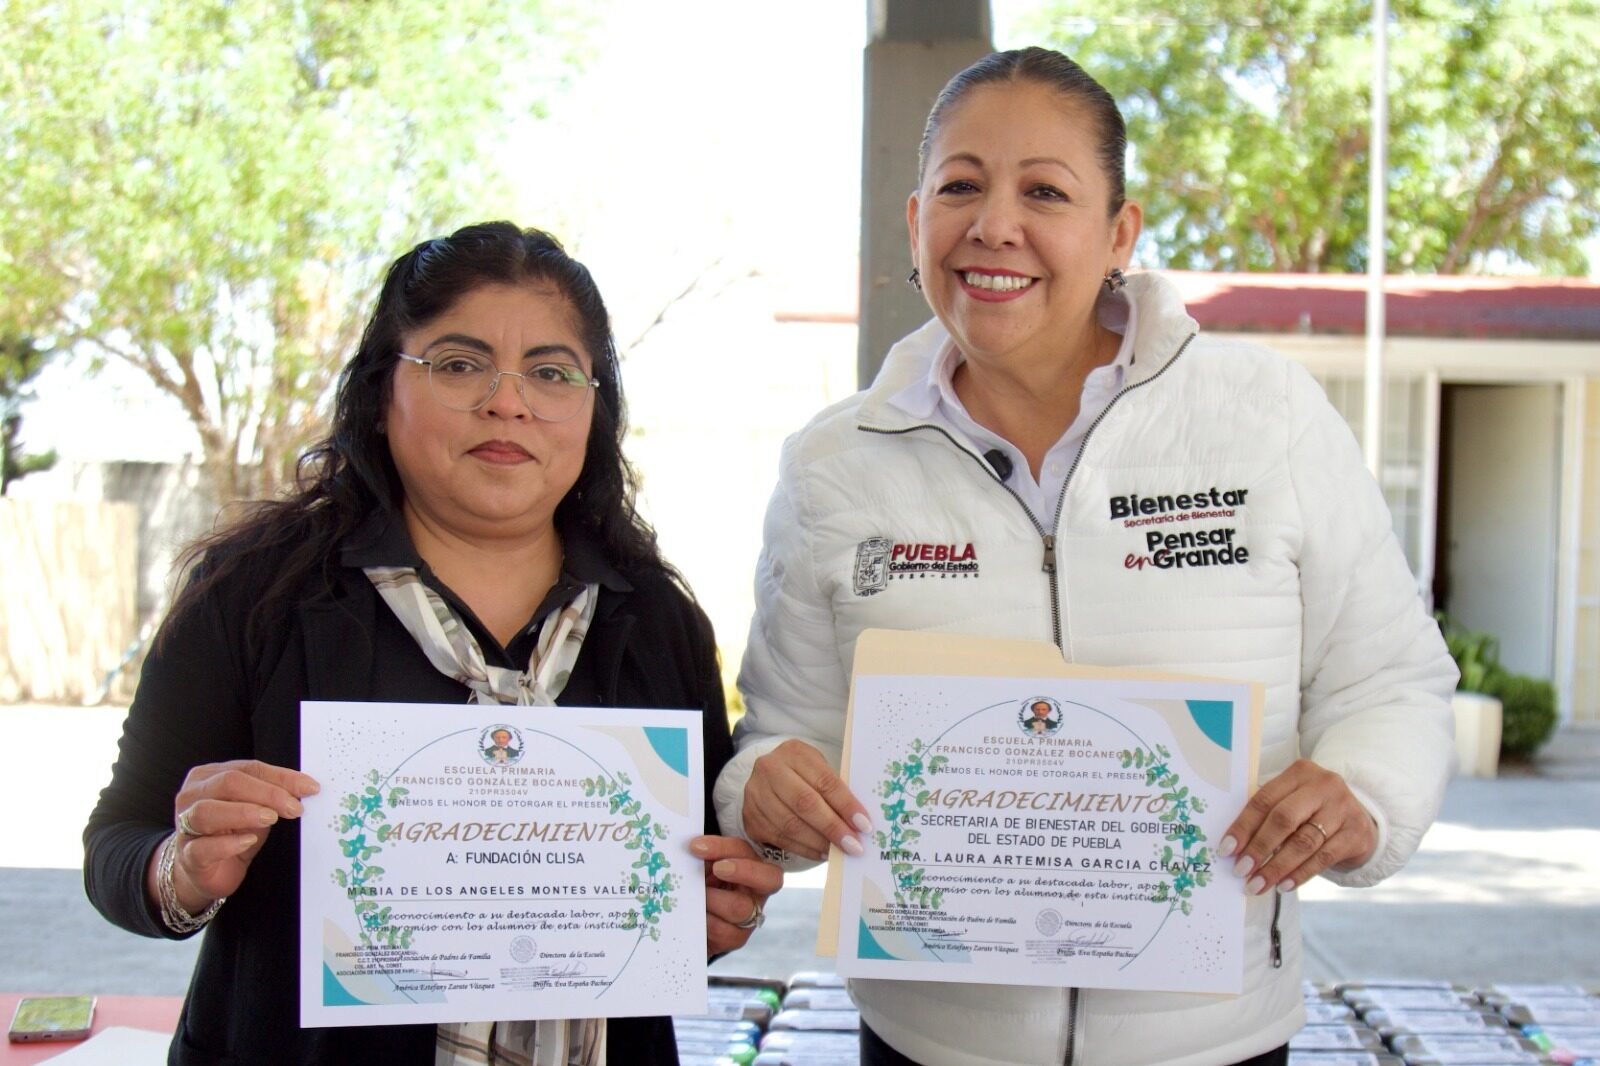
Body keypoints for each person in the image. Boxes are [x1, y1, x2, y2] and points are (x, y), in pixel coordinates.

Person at [713, 48, 1457, 1066]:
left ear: (1118, 233)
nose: (994, 225)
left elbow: (1390, 679)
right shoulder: (833, 464)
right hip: (930, 1044)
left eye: (1044, 191)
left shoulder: (1265, 415)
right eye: (960, 186)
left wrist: (1362, 794)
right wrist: (765, 792)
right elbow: (782, 736)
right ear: (915, 220)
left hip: (1213, 1043)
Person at [85, 222, 781, 1066]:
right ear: (383, 392)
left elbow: (688, 889)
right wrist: (181, 870)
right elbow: (119, 844)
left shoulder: (657, 619)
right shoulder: (254, 596)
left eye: (552, 373)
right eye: (458, 364)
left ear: (594, 410)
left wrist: (718, 913)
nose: (508, 402)